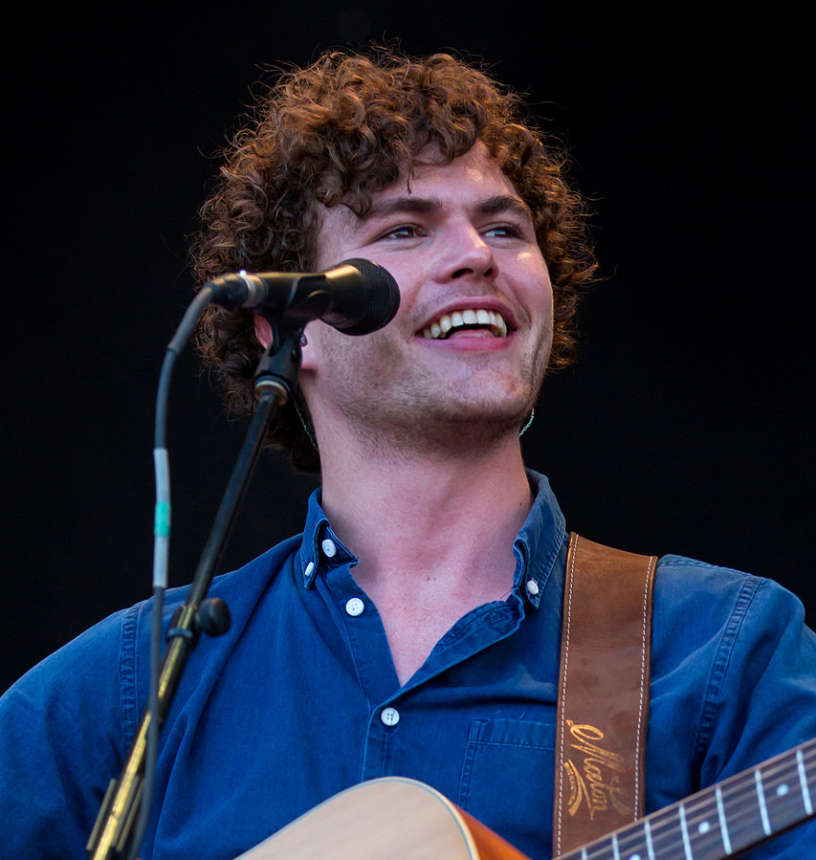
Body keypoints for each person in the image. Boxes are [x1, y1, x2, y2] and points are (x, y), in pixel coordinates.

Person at [1, 48, 814, 860]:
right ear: (293, 331)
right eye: (403, 229)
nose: (476, 255)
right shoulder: (129, 690)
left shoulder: (719, 649)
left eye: (504, 226)